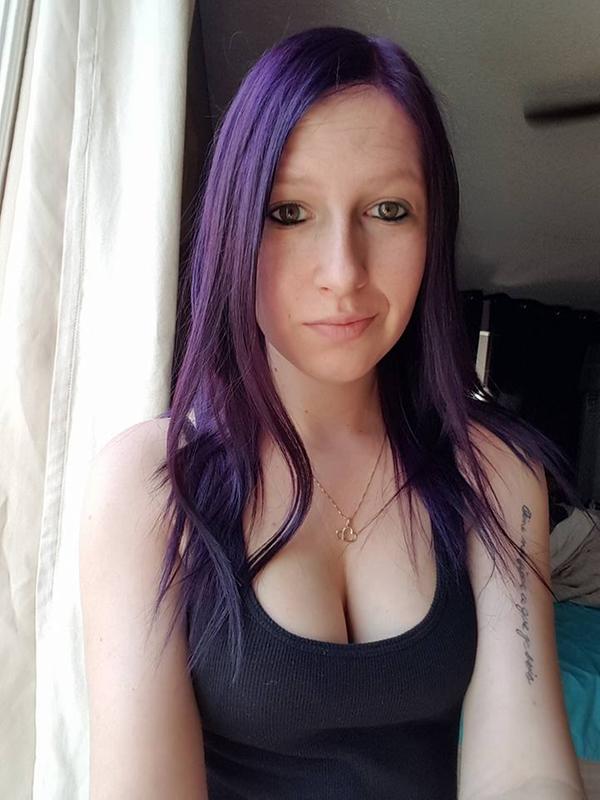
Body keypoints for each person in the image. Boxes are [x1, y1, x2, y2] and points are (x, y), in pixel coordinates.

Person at [79, 26, 590, 800]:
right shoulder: (150, 483)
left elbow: (526, 770)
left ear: (434, 229)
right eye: (289, 212)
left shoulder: (497, 474)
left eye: (388, 210)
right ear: (232, 228)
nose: (343, 273)